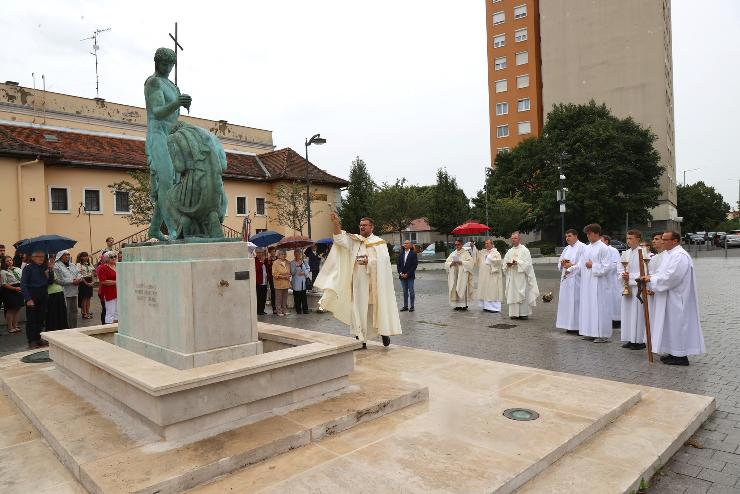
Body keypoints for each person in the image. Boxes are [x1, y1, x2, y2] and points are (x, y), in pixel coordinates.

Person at [315, 213, 402, 348]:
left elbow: (384, 262)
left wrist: (370, 261)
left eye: (365, 225)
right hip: (359, 283)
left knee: (377, 309)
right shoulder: (355, 241)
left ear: (372, 227)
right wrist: (336, 222)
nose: (362, 227)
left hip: (375, 284)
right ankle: (361, 340)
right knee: (359, 310)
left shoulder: (379, 242)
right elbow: (339, 239)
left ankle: (384, 333)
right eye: (361, 225)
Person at [144, 47, 192, 240]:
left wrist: (181, 104)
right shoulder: (153, 82)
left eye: (171, 65)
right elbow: (157, 111)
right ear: (157, 62)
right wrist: (177, 103)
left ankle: (155, 229)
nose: (168, 68)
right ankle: (174, 229)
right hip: (158, 135)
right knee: (166, 182)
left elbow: (173, 116)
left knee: (173, 183)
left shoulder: (172, 85)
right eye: (165, 64)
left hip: (172, 136)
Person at [641, 231, 705, 366]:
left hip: (677, 297)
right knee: (670, 325)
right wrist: (652, 279)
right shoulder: (670, 255)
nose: (662, 241)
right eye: (662, 239)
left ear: (675, 241)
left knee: (678, 325)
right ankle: (672, 352)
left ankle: (681, 356)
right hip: (668, 296)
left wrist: (651, 279)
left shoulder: (680, 256)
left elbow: (672, 277)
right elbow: (663, 273)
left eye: (665, 239)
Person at [578, 224, 613, 343]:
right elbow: (581, 263)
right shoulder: (587, 248)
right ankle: (589, 332)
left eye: (589, 233)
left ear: (596, 233)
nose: (587, 236)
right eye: (587, 234)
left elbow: (607, 267)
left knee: (599, 308)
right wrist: (571, 269)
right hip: (587, 282)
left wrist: (593, 266)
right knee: (588, 306)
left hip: (599, 283)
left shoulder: (604, 248)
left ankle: (602, 334)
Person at [619, 230, 647, 350]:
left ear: (638, 239)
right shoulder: (626, 253)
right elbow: (619, 269)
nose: (628, 240)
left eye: (631, 238)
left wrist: (629, 276)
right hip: (627, 287)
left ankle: (639, 340)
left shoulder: (643, 252)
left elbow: (644, 271)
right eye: (627, 238)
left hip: (637, 288)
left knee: (637, 314)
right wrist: (623, 276)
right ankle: (630, 338)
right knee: (627, 314)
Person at [502, 232, 539, 320]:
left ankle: (523, 313)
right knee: (513, 294)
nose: (513, 240)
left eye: (515, 238)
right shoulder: (509, 251)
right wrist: (508, 265)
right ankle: (514, 314)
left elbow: (528, 264)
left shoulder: (525, 250)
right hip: (512, 276)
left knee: (522, 293)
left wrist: (518, 263)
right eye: (512, 238)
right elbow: (504, 264)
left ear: (519, 239)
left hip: (521, 277)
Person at [556, 229, 586, 334]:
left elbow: (583, 264)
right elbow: (560, 262)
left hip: (576, 279)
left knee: (576, 302)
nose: (567, 238)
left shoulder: (582, 247)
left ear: (576, 236)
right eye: (566, 236)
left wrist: (571, 266)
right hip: (566, 279)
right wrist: (563, 264)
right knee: (567, 302)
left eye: (569, 236)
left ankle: (578, 326)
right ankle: (569, 325)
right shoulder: (566, 248)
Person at [21, 250, 52, 349]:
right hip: (32, 295)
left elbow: (50, 282)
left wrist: (50, 272)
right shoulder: (28, 268)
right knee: (32, 320)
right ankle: (32, 340)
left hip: (43, 294)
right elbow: (23, 284)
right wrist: (28, 299)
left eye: (43, 256)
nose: (41, 258)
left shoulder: (45, 267)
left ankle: (38, 337)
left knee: (41, 318)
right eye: (39, 256)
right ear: (33, 257)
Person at [53, 250, 81, 328]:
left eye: (68, 254)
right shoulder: (56, 266)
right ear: (60, 256)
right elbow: (58, 280)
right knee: (66, 312)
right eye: (65, 255)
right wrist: (72, 281)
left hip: (74, 290)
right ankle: (67, 328)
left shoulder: (72, 265)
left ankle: (74, 327)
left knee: (74, 311)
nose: (67, 256)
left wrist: (78, 279)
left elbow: (78, 273)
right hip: (65, 291)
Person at [445, 239, 475, 311]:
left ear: (461, 245)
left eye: (458, 244)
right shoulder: (453, 253)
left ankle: (464, 305)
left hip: (463, 275)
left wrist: (461, 262)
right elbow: (446, 263)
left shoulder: (466, 253)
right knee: (455, 287)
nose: (457, 246)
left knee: (462, 287)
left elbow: (470, 263)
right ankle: (457, 305)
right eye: (455, 245)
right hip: (455, 274)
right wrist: (452, 263)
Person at [476, 239, 504, 313]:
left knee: (492, 291)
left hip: (492, 276)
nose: (487, 245)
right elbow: (475, 257)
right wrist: (473, 247)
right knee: (485, 290)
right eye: (485, 243)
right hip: (484, 276)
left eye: (488, 243)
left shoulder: (496, 253)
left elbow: (498, 263)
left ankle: (494, 308)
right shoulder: (482, 252)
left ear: (492, 244)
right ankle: (486, 306)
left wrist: (489, 258)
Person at [601, 235, 622, 329]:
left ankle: (616, 319)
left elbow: (615, 264)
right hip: (603, 278)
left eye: (601, 240)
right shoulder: (601, 250)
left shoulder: (613, 250)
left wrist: (604, 270)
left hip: (612, 278)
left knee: (614, 299)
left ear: (606, 241)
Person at [45, 254, 69, 332]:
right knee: (53, 314)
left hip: (59, 291)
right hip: (51, 293)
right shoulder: (45, 270)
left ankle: (62, 329)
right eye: (51, 259)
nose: (53, 260)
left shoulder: (55, 268)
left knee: (61, 313)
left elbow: (60, 279)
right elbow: (50, 281)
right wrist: (50, 270)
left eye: (54, 258)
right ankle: (53, 330)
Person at [1, 256, 24, 333]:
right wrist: (14, 288)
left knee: (17, 308)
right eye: (7, 261)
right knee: (11, 309)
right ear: (4, 262)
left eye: (10, 260)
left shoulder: (17, 269)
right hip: (9, 290)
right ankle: (10, 327)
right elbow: (4, 284)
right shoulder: (3, 271)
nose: (9, 262)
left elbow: (22, 278)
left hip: (19, 288)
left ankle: (16, 325)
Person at [397, 239, 418, 312]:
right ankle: (405, 306)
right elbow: (398, 265)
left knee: (411, 291)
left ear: (410, 245)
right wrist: (400, 273)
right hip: (402, 276)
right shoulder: (401, 253)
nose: (405, 244)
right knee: (405, 291)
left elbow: (414, 265)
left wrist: (407, 274)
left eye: (407, 243)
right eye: (404, 243)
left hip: (410, 276)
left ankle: (412, 306)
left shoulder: (413, 253)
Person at [98, 251, 118, 324]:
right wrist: (117, 282)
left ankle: (116, 328)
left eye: (114, 256)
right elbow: (103, 281)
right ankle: (108, 328)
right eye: (111, 257)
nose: (113, 258)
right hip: (109, 292)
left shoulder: (118, 266)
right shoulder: (103, 268)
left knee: (117, 312)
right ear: (106, 258)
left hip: (118, 291)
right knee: (110, 312)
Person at [290, 249, 311, 314]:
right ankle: (298, 310)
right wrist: (296, 267)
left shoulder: (304, 261)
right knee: (297, 297)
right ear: (294, 255)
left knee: (304, 297)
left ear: (300, 254)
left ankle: (305, 310)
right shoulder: (292, 262)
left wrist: (304, 273)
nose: (297, 255)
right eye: (296, 254)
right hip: (296, 282)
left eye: (299, 254)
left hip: (303, 282)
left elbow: (308, 268)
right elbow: (292, 273)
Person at [76, 252, 95, 319]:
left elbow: (92, 273)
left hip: (90, 280)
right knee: (84, 298)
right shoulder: (79, 264)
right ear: (81, 257)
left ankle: (87, 311)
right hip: (83, 281)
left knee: (89, 297)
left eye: (86, 256)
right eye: (84, 256)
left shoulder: (89, 264)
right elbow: (80, 275)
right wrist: (86, 283)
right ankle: (84, 313)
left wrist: (93, 281)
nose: (86, 257)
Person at [271, 250, 290, 317]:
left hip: (286, 283)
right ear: (279, 255)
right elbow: (274, 274)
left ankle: (284, 310)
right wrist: (283, 276)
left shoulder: (288, 262)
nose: (284, 255)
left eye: (285, 254)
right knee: (278, 298)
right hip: (279, 283)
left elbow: (289, 272)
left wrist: (288, 275)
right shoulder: (275, 263)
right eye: (283, 254)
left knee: (285, 298)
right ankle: (278, 311)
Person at [254, 250, 268, 315]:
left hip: (264, 282)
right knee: (259, 297)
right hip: (258, 282)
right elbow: (257, 269)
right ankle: (258, 311)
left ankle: (262, 310)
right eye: (258, 253)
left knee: (263, 297)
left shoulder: (265, 261)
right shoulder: (255, 260)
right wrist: (261, 262)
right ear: (256, 253)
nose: (260, 254)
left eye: (261, 253)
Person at [265, 246, 278, 314]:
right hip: (271, 278)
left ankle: (279, 307)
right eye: (272, 251)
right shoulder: (267, 260)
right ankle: (274, 308)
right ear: (270, 252)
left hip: (278, 278)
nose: (274, 253)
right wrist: (271, 265)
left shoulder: (278, 259)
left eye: (274, 251)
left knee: (278, 292)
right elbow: (266, 269)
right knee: (273, 292)